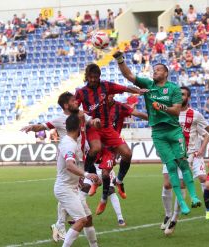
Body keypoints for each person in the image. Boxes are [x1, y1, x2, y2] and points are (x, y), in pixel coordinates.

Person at [113, 50, 202, 216]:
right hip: (158, 133)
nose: (155, 72)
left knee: (183, 162)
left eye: (158, 70)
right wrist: (120, 60)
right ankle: (182, 203)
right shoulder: (148, 85)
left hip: (174, 130)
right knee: (171, 167)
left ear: (166, 73)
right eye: (154, 70)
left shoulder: (174, 89)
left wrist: (162, 107)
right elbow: (129, 76)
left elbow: (176, 111)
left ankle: (195, 196)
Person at [21, 92, 96, 242]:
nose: (77, 102)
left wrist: (96, 122)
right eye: (74, 101)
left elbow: (91, 122)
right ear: (66, 105)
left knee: (73, 193)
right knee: (69, 192)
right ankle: (60, 226)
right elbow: (42, 126)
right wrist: (31, 127)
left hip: (79, 159)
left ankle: (60, 226)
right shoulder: (60, 121)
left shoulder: (80, 115)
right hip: (69, 156)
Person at [162, 87, 209, 236]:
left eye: (183, 94)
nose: (180, 96)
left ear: (188, 97)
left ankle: (175, 218)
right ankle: (168, 215)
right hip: (170, 154)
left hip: (189, 155)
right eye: (178, 94)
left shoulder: (195, 115)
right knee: (167, 184)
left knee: (184, 184)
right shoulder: (169, 112)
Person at [75, 63, 145, 199]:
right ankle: (86, 173)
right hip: (92, 127)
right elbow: (74, 109)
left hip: (107, 128)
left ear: (99, 76)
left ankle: (119, 180)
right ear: (87, 77)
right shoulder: (81, 92)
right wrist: (87, 117)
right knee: (95, 148)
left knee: (127, 153)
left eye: (96, 77)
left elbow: (124, 88)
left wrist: (138, 91)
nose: (94, 80)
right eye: (91, 77)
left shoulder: (105, 86)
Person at [85, 94, 148, 219]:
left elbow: (136, 113)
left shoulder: (120, 107)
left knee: (105, 173)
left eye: (109, 94)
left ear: (113, 94)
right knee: (90, 163)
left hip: (111, 147)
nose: (106, 97)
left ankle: (105, 197)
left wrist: (152, 118)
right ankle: (95, 183)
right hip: (98, 144)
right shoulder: (96, 109)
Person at [54, 114, 99, 247]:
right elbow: (69, 165)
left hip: (72, 187)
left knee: (88, 219)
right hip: (65, 189)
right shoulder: (69, 143)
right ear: (79, 127)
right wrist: (87, 175)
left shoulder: (70, 142)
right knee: (81, 220)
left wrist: (80, 179)